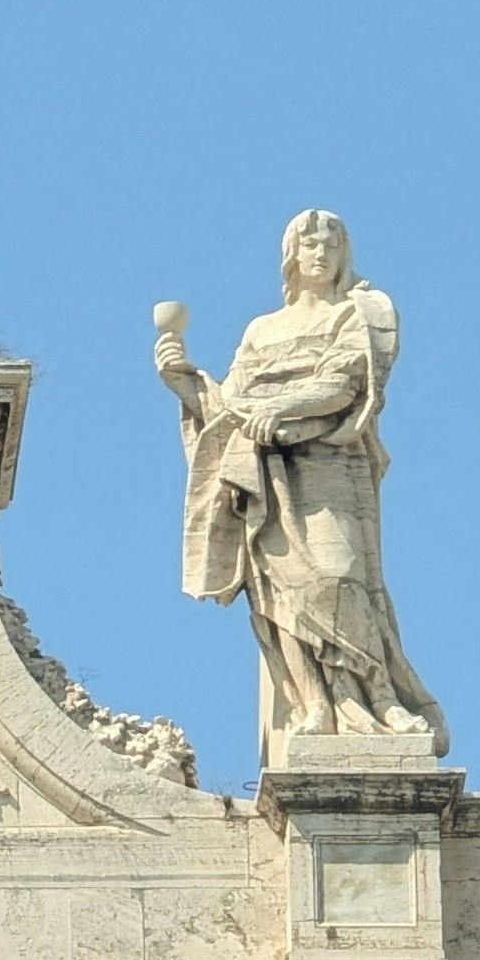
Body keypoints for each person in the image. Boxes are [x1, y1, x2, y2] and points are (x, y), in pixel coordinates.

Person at [155, 211, 446, 760]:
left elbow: (344, 383)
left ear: (344, 254)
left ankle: (376, 697)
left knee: (341, 576)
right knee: (279, 590)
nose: (320, 252)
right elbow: (228, 408)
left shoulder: (354, 315)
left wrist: (278, 408)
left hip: (328, 462)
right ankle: (316, 704)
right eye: (309, 243)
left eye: (331, 244)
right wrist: (185, 383)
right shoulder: (260, 330)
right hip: (264, 470)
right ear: (291, 255)